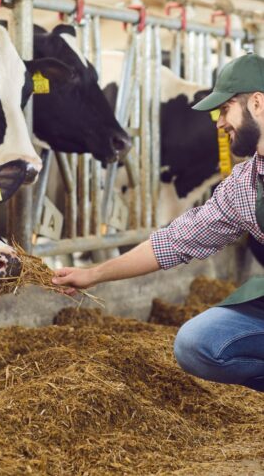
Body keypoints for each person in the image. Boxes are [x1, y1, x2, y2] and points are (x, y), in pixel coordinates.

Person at [52, 52, 264, 392]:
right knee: (196, 344)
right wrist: (93, 274)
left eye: (225, 109)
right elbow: (173, 241)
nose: (218, 122)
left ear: (257, 103)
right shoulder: (243, 184)